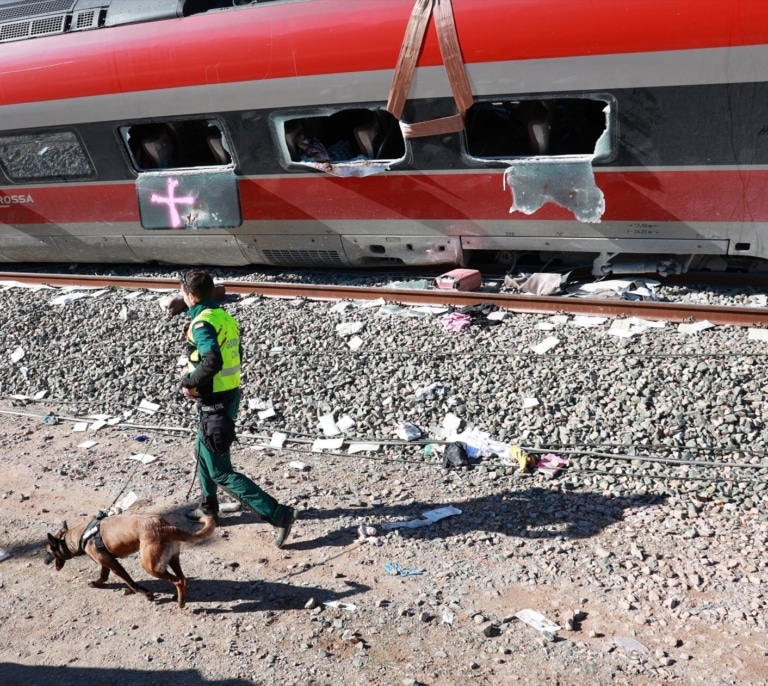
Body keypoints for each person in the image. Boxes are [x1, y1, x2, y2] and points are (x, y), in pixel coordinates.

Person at [178, 269, 297, 548]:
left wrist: (190, 384)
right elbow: (236, 355)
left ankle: (280, 515)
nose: (181, 297)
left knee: (219, 469)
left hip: (214, 401)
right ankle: (209, 509)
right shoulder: (223, 316)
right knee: (201, 449)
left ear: (191, 296)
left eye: (182, 292)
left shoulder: (201, 324)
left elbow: (212, 360)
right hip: (228, 395)